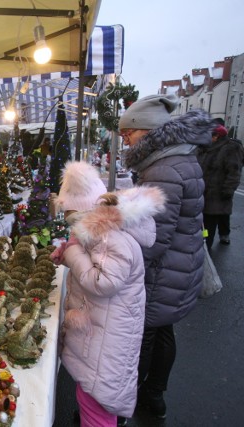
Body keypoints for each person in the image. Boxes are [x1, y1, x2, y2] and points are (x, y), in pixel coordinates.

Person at [119, 94, 212, 419]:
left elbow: (153, 239)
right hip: (179, 267)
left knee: (142, 338)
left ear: (148, 130)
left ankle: (124, 405)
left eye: (129, 131)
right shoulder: (178, 159)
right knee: (163, 331)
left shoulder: (165, 168)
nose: (125, 137)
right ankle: (154, 396)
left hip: (162, 272)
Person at [51, 161, 164, 427]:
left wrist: (72, 252)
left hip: (108, 344)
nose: (73, 230)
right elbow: (92, 259)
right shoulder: (104, 233)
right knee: (92, 399)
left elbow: (102, 281)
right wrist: (71, 250)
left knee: (98, 405)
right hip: (104, 335)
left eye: (72, 221)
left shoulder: (110, 238)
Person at [197, 121, 244, 247]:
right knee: (202, 226)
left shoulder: (230, 148)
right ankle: (204, 245)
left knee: (209, 225)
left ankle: (207, 247)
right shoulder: (205, 148)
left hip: (216, 196)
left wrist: (227, 191)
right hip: (202, 195)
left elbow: (234, 172)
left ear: (216, 136)